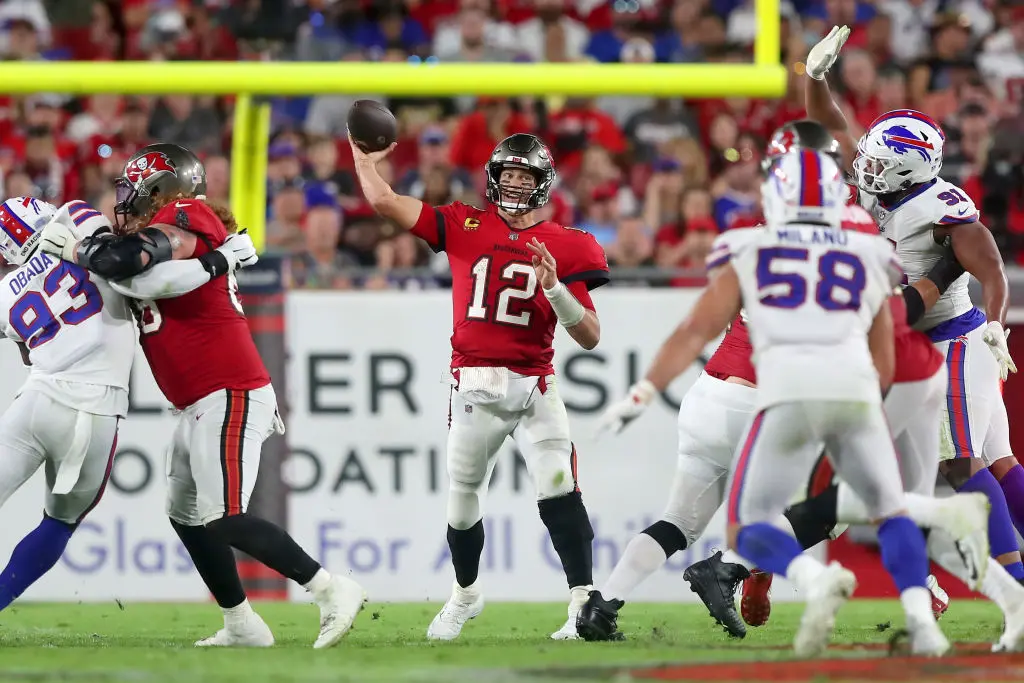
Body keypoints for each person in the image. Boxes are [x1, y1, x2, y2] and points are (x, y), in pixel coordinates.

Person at [575, 122, 974, 640]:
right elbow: (889, 330)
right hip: (772, 403)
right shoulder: (861, 242)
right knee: (835, 505)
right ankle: (756, 572)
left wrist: (644, 390)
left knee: (678, 520)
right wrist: (944, 270)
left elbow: (694, 328)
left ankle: (602, 606)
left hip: (708, 397)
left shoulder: (753, 241)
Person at [35, 143, 366, 649]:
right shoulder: (184, 236)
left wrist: (84, 253)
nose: (125, 202)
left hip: (229, 389)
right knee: (185, 514)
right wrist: (213, 260)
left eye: (135, 191)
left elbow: (138, 268)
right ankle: (240, 623)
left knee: (225, 515)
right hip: (197, 401)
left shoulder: (187, 214)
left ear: (163, 191)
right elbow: (148, 277)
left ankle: (329, 588)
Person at [349, 131, 609, 641]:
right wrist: (363, 160)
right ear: (493, 178)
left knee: (558, 482)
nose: (513, 184)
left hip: (535, 384)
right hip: (474, 383)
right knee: (463, 497)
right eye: (507, 174)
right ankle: (466, 593)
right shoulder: (463, 222)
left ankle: (582, 604)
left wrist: (555, 287)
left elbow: (591, 336)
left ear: (542, 184)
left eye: (523, 176)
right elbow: (384, 200)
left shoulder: (570, 243)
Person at [804, 25, 1024, 588]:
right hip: (920, 342)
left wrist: (997, 325)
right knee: (1000, 466)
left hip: (953, 338)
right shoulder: (880, 186)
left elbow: (992, 269)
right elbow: (831, 123)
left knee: (960, 465)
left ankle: (1016, 585)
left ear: (911, 167)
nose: (867, 169)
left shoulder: (939, 204)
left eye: (880, 162)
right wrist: (814, 78)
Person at [0, 195, 256, 615]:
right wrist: (221, 258)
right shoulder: (77, 217)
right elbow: (121, 262)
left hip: (33, 401)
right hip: (93, 408)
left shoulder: (5, 292)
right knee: (59, 522)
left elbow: (28, 347)